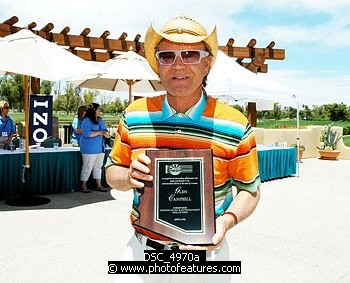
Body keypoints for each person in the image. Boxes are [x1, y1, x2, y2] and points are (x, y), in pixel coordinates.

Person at [105, 15, 261, 282]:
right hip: (141, 254)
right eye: (167, 56)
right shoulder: (133, 115)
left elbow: (250, 190)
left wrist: (226, 222)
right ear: (158, 66)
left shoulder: (235, 124)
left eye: (190, 54)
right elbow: (111, 172)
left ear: (207, 64)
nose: (178, 65)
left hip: (206, 259)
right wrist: (128, 176)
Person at [79, 103, 110, 193]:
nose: (100, 110)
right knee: (87, 167)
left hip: (100, 148)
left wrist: (106, 134)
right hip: (89, 148)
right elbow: (87, 133)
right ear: (93, 110)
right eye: (98, 109)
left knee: (98, 167)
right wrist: (100, 132)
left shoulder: (100, 120)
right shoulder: (86, 121)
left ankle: (99, 185)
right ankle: (83, 185)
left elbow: (105, 131)